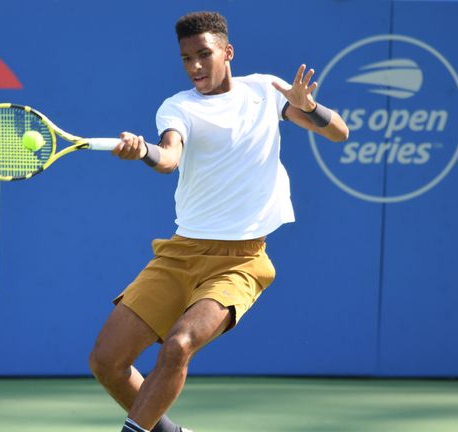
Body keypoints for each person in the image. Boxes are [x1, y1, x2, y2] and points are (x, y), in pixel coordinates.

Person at [88, 11, 349, 432]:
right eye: (186, 58)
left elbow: (339, 133)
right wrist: (143, 152)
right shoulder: (178, 107)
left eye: (203, 55)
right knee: (106, 361)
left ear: (227, 52)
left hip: (241, 261)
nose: (194, 66)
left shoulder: (265, 90)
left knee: (179, 344)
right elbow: (169, 157)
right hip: (180, 254)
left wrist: (311, 107)